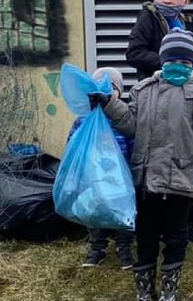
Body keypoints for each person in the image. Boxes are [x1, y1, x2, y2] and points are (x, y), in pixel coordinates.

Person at [98, 29, 193, 301]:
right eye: (172, 61)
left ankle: (169, 288)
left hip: (182, 179)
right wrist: (110, 104)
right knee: (146, 236)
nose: (179, 66)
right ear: (161, 61)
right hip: (147, 180)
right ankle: (144, 289)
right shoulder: (143, 91)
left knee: (177, 236)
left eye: (186, 63)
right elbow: (131, 125)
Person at [126, 0, 193, 248]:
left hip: (187, 99)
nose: (167, 0)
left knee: (190, 153)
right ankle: (153, 223)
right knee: (156, 157)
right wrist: (168, 61)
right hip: (155, 99)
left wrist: (185, 55)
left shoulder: (190, 21)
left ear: (186, 0)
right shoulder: (147, 18)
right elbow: (133, 54)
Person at [68, 67, 135, 269]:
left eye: (111, 87)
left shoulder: (123, 117)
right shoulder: (83, 119)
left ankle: (124, 247)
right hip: (93, 176)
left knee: (123, 212)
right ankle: (97, 248)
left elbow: (134, 142)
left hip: (121, 177)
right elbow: (73, 144)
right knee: (95, 211)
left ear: (119, 92)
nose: (105, 91)